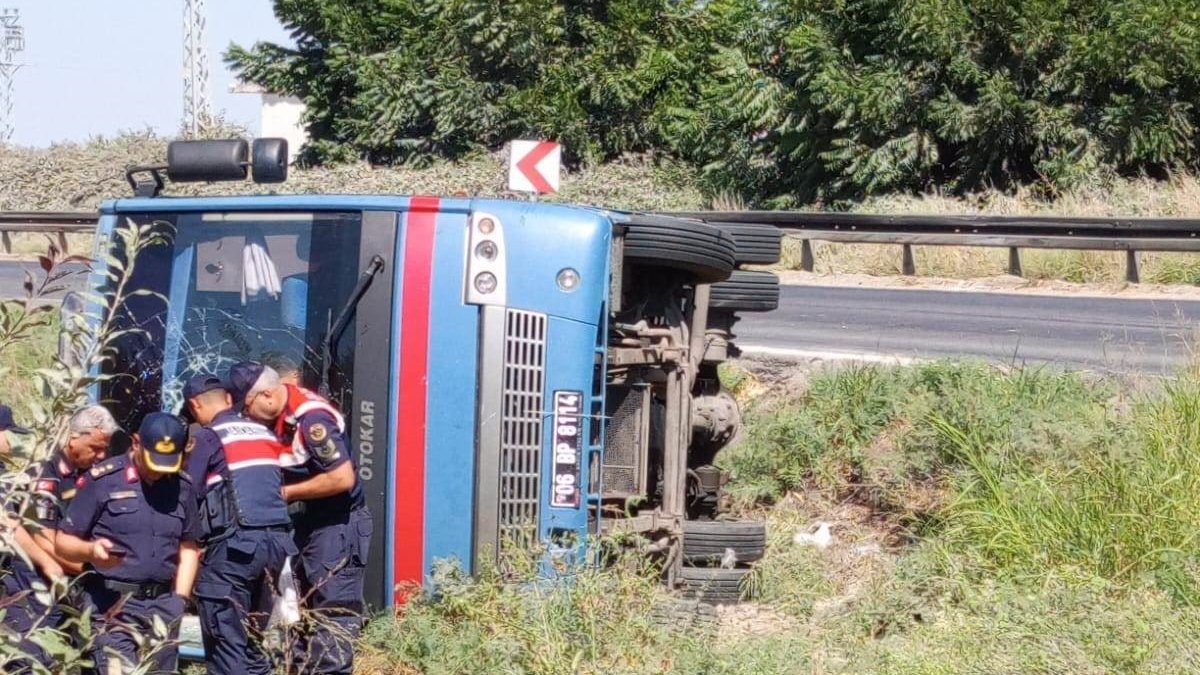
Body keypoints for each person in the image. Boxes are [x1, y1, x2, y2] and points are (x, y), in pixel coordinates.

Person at [227, 361, 371, 675]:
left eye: (247, 407)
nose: (246, 415)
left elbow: (342, 478)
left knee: (331, 620)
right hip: (310, 527)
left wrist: (286, 494)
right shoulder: (277, 417)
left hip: (338, 528)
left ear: (266, 395)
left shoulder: (311, 419)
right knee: (302, 620)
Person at [56, 412, 201, 675]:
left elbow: (189, 546)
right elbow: (63, 542)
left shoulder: (182, 486)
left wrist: (180, 598)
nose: (160, 471)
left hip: (164, 606)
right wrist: (91, 550)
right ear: (136, 443)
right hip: (112, 605)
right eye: (154, 461)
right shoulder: (102, 480)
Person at [182, 373, 297, 675]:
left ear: (195, 405)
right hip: (277, 551)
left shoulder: (209, 437)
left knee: (226, 647)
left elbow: (188, 495)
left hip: (235, 550)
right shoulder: (264, 433)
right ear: (230, 399)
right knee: (254, 647)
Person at [0, 405, 116, 669]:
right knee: (31, 660)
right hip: (35, 588)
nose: (102, 455)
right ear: (74, 437)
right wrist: (93, 569)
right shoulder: (45, 470)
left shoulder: (90, 473)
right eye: (95, 447)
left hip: (71, 587)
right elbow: (37, 534)